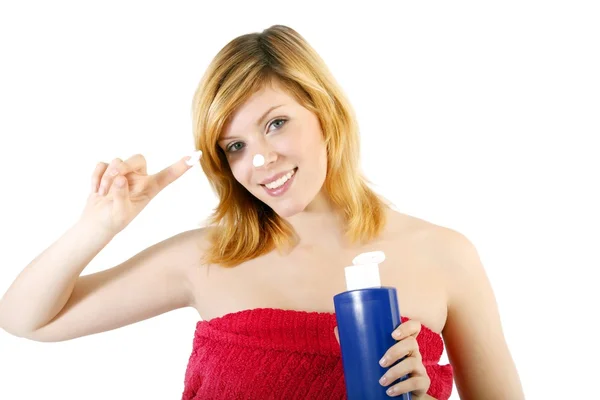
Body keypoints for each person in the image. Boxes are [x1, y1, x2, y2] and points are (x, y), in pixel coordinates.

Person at [0, 25, 524, 399]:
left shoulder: (445, 255)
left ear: (324, 112)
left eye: (275, 123)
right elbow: (25, 320)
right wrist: (100, 225)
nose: (260, 160)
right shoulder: (207, 258)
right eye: (234, 146)